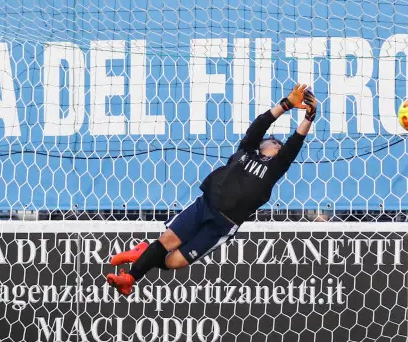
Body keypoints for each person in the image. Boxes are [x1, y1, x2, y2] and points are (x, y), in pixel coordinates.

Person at [106, 83, 317, 296]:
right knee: (166, 241)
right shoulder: (246, 150)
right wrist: (286, 105)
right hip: (205, 204)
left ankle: (144, 253)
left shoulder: (274, 168)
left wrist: (309, 117)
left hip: (224, 224)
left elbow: (295, 143)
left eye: (280, 145)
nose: (278, 144)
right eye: (274, 141)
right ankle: (130, 278)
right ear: (263, 144)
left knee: (174, 261)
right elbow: (260, 124)